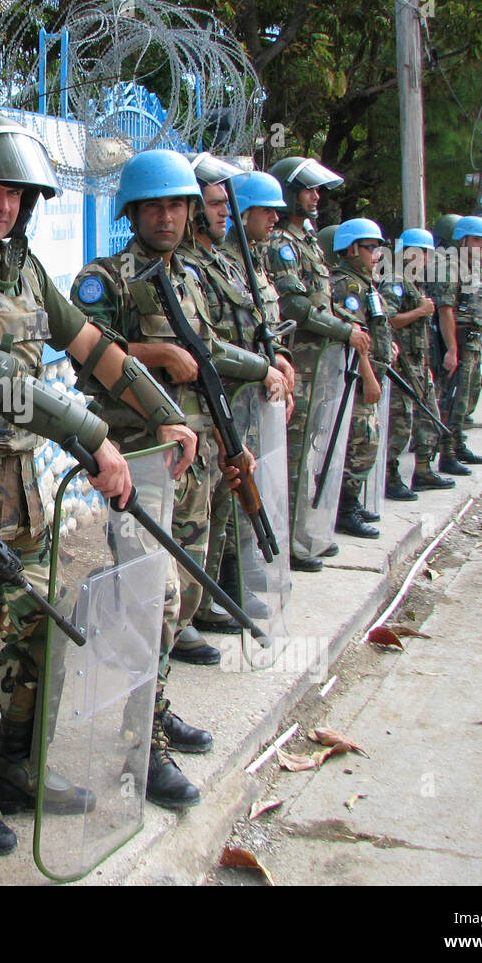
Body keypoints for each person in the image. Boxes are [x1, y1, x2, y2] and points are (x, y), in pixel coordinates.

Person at [0, 115, 199, 850]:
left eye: (17, 192)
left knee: (40, 634)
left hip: (24, 496)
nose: (4, 204)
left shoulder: (23, 271)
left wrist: (163, 414)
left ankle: (18, 769)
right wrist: (91, 436)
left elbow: (91, 343)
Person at [71, 149, 266, 808]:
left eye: (177, 205)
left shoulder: (190, 278)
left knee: (177, 597)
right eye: (154, 205)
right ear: (132, 211)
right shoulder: (107, 278)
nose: (167, 216)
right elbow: (83, 359)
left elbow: (207, 365)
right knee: (147, 602)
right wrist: (155, 355)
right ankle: (139, 750)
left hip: (194, 459)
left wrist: (233, 447)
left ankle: (156, 707)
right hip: (138, 460)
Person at [170, 163, 289, 649]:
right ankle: (181, 616)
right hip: (204, 402)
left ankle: (210, 594)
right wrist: (262, 368)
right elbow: (209, 343)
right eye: (218, 205)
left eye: (227, 204)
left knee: (222, 503)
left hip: (235, 402)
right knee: (191, 516)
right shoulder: (183, 268)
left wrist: (273, 358)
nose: (226, 214)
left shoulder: (222, 261)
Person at [266, 157, 371, 569]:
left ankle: (306, 531)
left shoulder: (307, 241)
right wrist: (345, 332)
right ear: (290, 193)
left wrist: (347, 326)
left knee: (313, 450)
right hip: (303, 364)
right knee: (294, 453)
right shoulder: (282, 245)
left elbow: (322, 302)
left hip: (321, 365)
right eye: (308, 189)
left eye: (316, 190)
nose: (316, 197)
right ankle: (289, 543)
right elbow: (297, 307)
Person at [328, 219, 395, 538]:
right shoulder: (347, 285)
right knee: (362, 442)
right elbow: (354, 336)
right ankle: (344, 507)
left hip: (371, 371)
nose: (376, 255)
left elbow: (374, 326)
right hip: (355, 378)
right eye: (371, 248)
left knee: (366, 441)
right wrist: (369, 377)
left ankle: (349, 502)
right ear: (352, 249)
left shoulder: (364, 282)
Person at [428, 214, 482, 473]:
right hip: (459, 340)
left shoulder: (476, 267)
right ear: (462, 240)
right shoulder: (449, 266)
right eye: (476, 239)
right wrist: (452, 349)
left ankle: (458, 443)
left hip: (474, 341)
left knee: (467, 398)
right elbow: (445, 310)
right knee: (452, 399)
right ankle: (446, 453)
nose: (481, 244)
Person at [381, 229, 454, 497]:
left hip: (419, 363)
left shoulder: (413, 282)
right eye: (424, 253)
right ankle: (390, 477)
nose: (427, 259)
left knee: (428, 417)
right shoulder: (394, 281)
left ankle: (423, 470)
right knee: (400, 424)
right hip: (401, 365)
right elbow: (386, 319)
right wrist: (421, 311)